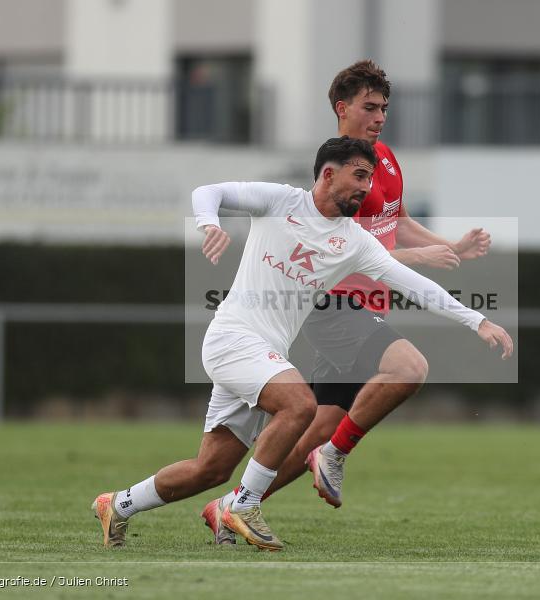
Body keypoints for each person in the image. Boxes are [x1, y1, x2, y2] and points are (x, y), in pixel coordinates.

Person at [93, 137, 513, 552]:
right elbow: (209, 192)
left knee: (211, 469)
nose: (366, 187)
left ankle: (117, 504)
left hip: (263, 357)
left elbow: (413, 284)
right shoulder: (282, 201)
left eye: (370, 178)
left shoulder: (355, 241)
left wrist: (476, 320)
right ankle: (245, 505)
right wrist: (209, 223)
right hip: (232, 339)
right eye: (359, 175)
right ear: (328, 174)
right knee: (300, 405)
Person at [201, 60, 495, 544]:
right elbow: (339, 250)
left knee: (320, 428)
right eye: (370, 107)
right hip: (334, 303)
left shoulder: (387, 161)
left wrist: (450, 246)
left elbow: (396, 223)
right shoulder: (340, 174)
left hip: (369, 305)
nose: (380, 117)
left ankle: (232, 505)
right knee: (406, 368)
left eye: (384, 108)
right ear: (343, 108)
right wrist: (419, 259)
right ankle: (330, 458)